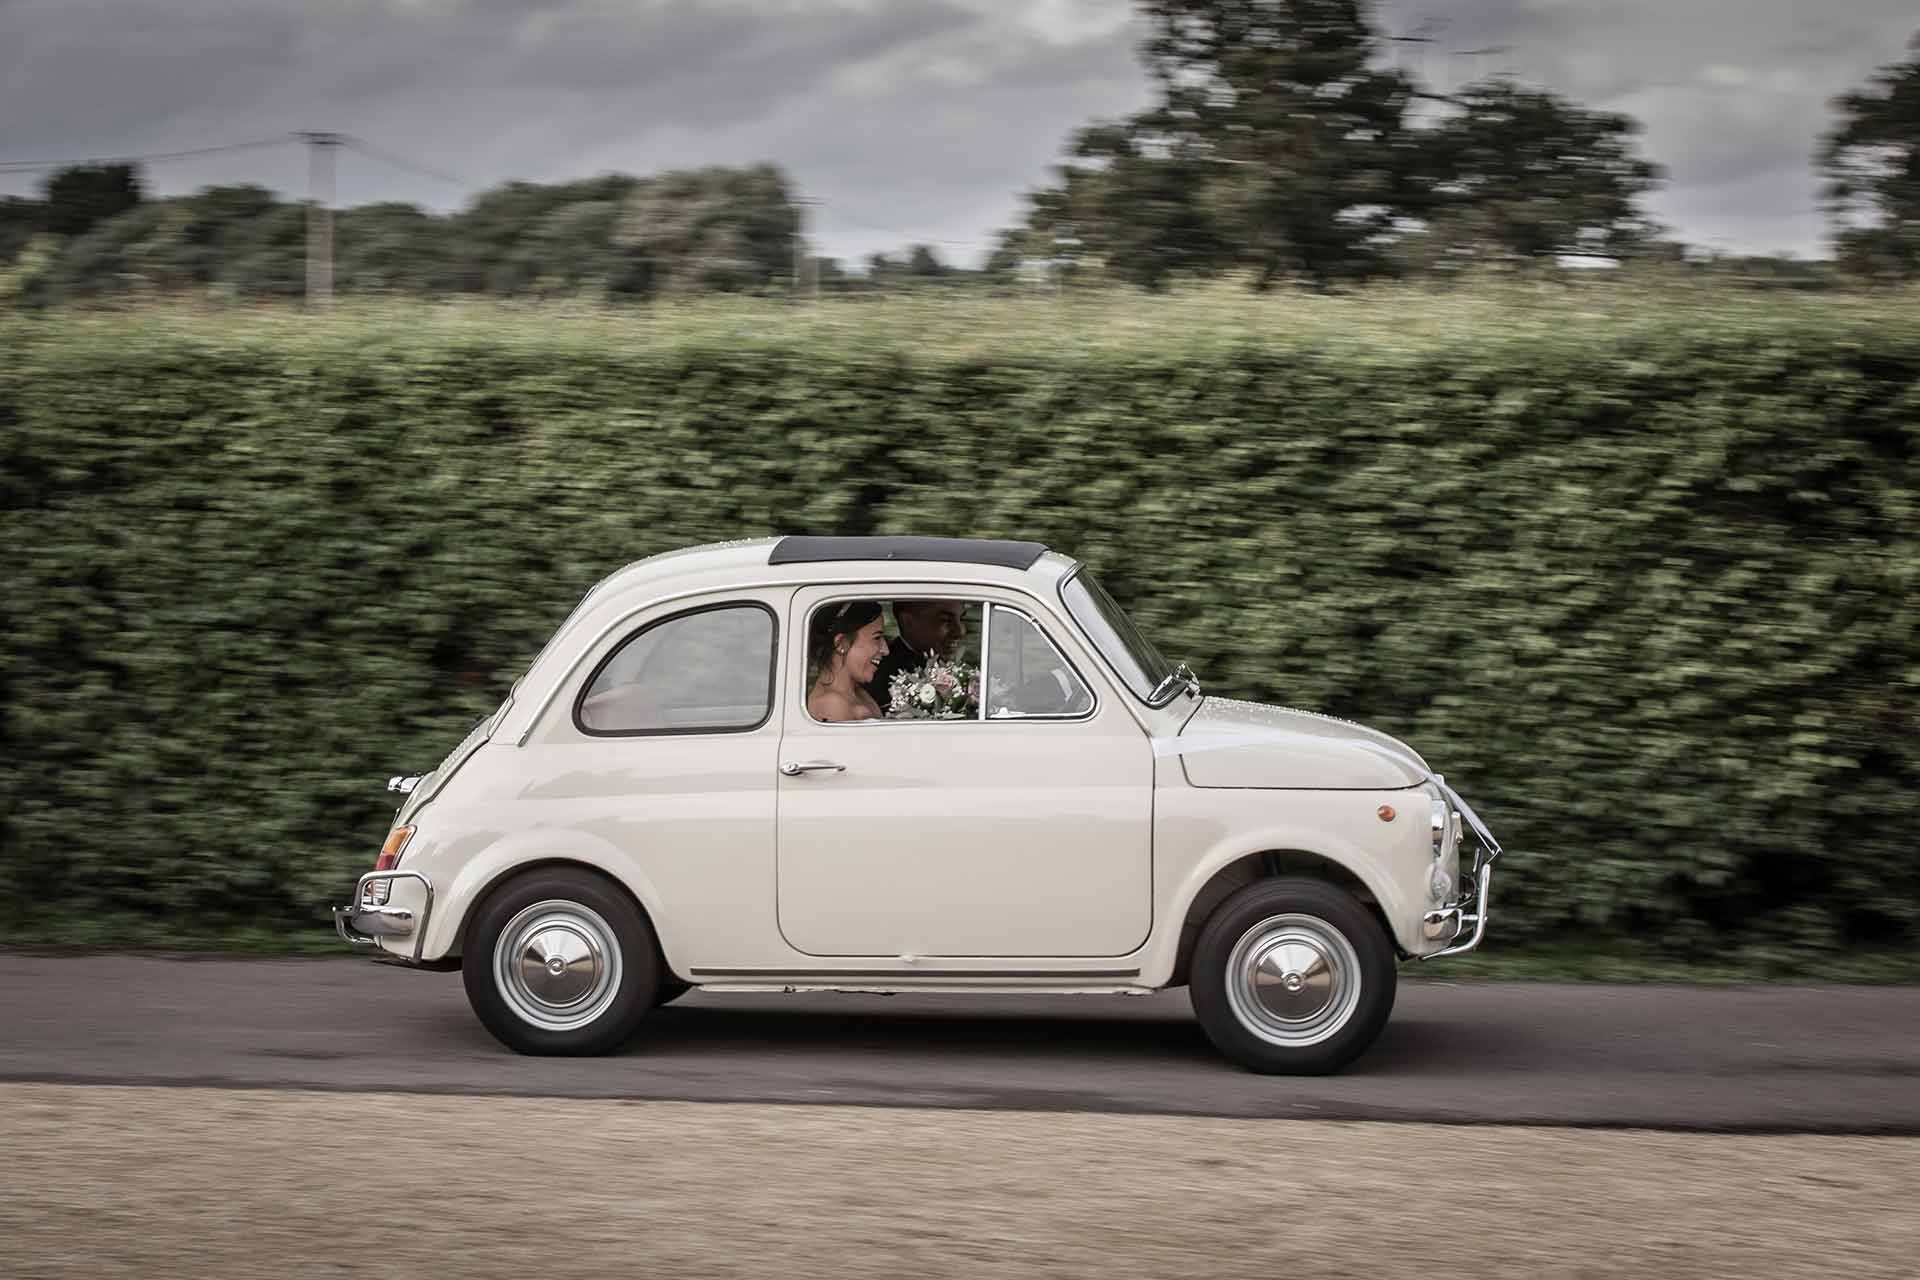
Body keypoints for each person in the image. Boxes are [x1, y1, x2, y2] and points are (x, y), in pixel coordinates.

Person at [866, 599, 968, 711]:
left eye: (962, 619)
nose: (960, 631)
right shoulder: (881, 676)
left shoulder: (958, 669)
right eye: (945, 620)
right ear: (908, 622)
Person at [807, 600, 889, 722]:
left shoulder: (859, 693)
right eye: (877, 638)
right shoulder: (830, 705)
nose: (886, 650)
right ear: (841, 643)